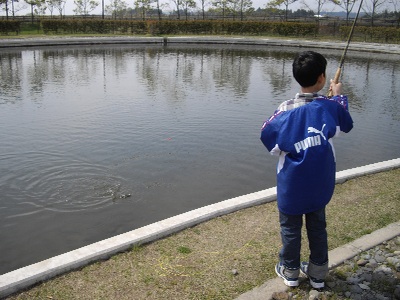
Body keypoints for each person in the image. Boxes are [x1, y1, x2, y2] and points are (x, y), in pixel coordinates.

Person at [260, 51, 353, 289]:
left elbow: (270, 141)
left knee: (290, 228)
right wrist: (338, 96)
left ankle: (290, 271)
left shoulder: (284, 110)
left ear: (296, 77)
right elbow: (344, 125)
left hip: (293, 186)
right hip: (320, 185)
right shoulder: (331, 107)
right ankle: (318, 274)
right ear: (322, 78)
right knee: (317, 227)